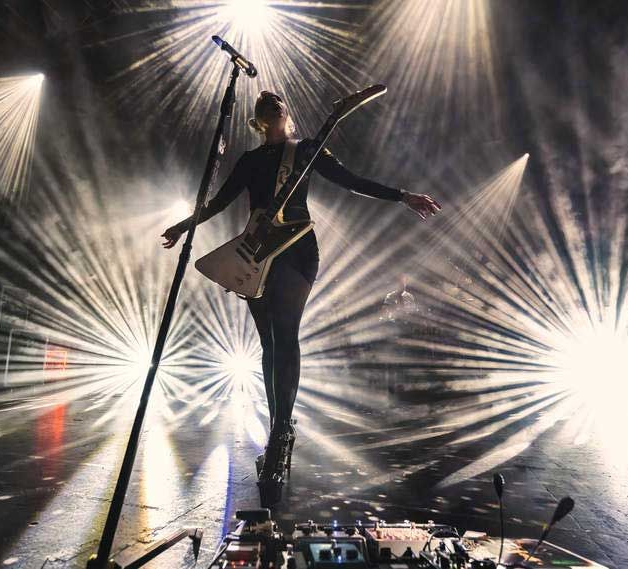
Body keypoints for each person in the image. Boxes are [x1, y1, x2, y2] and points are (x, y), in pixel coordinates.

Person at [160, 90, 440, 506]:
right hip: (255, 256)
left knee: (286, 333)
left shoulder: (306, 150)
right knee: (268, 344)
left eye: (276, 102)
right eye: (263, 104)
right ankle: (278, 426)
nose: (269, 104)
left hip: (294, 247)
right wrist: (183, 226)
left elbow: (352, 182)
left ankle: (280, 430)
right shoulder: (250, 161)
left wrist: (403, 196)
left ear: (285, 113)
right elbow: (218, 203)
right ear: (256, 120)